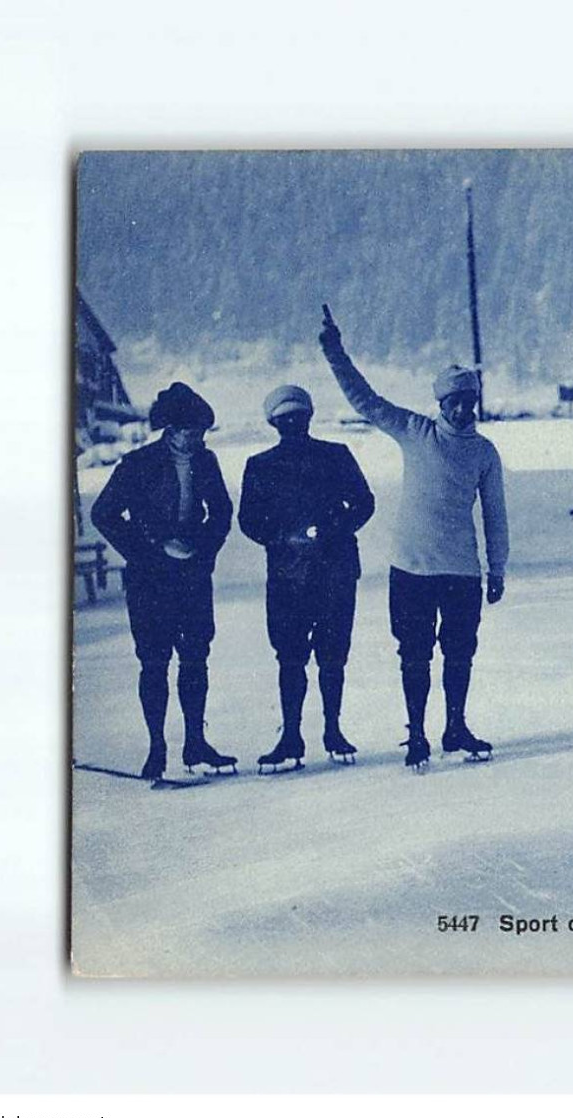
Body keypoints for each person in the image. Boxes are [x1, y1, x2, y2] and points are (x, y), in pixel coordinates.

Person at [319, 305, 509, 769]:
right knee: (415, 655)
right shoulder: (415, 431)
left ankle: (455, 728)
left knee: (460, 653)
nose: (464, 409)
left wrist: (497, 568)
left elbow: (495, 515)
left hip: (462, 570)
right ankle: (419, 732)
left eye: (470, 401)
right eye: (455, 402)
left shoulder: (484, 452)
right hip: (411, 568)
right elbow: (365, 401)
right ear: (440, 405)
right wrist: (334, 351)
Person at [90, 382, 236, 779]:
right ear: (170, 430)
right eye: (191, 433)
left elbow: (222, 512)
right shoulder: (137, 465)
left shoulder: (207, 462)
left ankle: (195, 743)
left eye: (202, 434)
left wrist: (201, 549)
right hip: (149, 582)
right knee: (154, 664)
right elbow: (103, 514)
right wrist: (148, 551)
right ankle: (157, 748)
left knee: (195, 659)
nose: (197, 440)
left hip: (192, 578)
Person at [238, 384, 376, 771]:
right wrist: (286, 537)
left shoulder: (337, 455)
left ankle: (332, 729)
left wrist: (331, 529)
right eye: (285, 420)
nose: (293, 424)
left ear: (309, 418)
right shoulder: (259, 466)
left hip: (332, 573)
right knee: (291, 657)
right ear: (274, 424)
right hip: (288, 576)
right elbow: (249, 520)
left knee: (332, 657)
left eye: (298, 417)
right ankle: (292, 735)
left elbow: (364, 503)